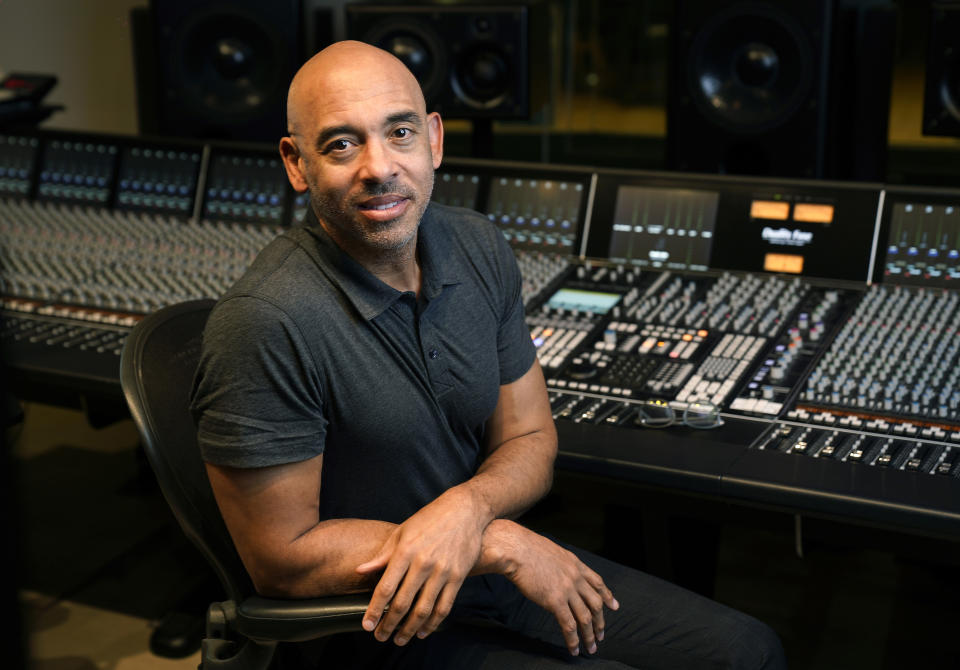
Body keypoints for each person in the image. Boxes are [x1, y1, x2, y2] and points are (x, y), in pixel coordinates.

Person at [190, 40, 787, 669]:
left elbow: (530, 437)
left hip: (488, 573)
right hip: (375, 620)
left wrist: (470, 510)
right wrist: (497, 543)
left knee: (748, 651)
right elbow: (281, 557)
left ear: (435, 140)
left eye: (400, 132)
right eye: (341, 144)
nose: (379, 166)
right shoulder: (265, 321)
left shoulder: (476, 246)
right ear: (295, 162)